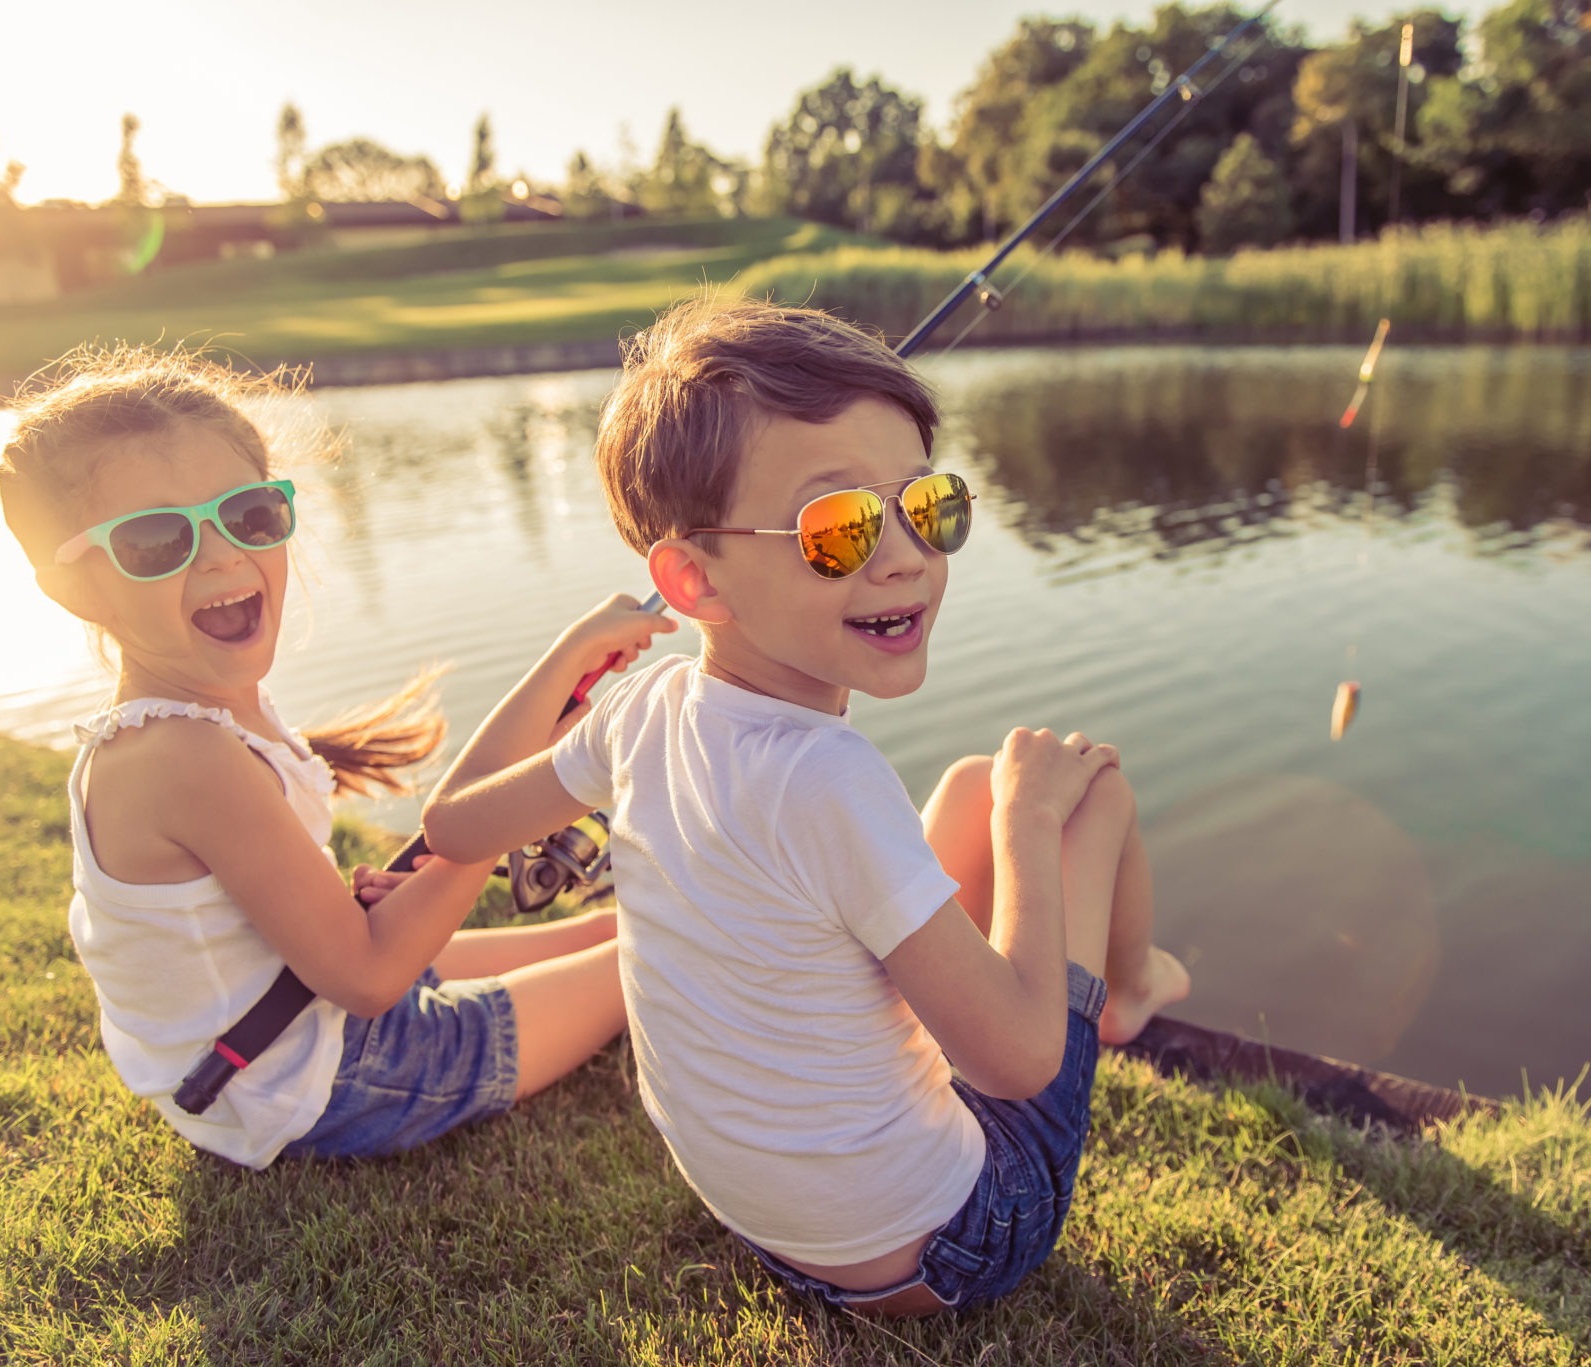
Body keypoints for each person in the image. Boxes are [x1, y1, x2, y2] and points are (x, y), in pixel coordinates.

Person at [422, 298, 1190, 1314]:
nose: (907, 554)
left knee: (963, 781)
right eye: (839, 528)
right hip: (942, 1246)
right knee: (1085, 792)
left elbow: (450, 826)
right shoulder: (826, 778)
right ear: (692, 578)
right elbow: (1012, 1062)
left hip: (765, 1221)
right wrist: (1025, 822)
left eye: (925, 503)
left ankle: (1116, 975)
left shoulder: (636, 711)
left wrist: (566, 661)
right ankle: (1127, 988)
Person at [0, 346, 667, 1168]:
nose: (218, 556)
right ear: (73, 586)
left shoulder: (206, 713)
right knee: (661, 951)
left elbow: (425, 848)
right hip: (324, 1081)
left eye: (246, 515)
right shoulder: (181, 755)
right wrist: (487, 833)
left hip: (294, 1021)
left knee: (624, 924)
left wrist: (567, 656)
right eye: (154, 539)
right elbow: (373, 974)